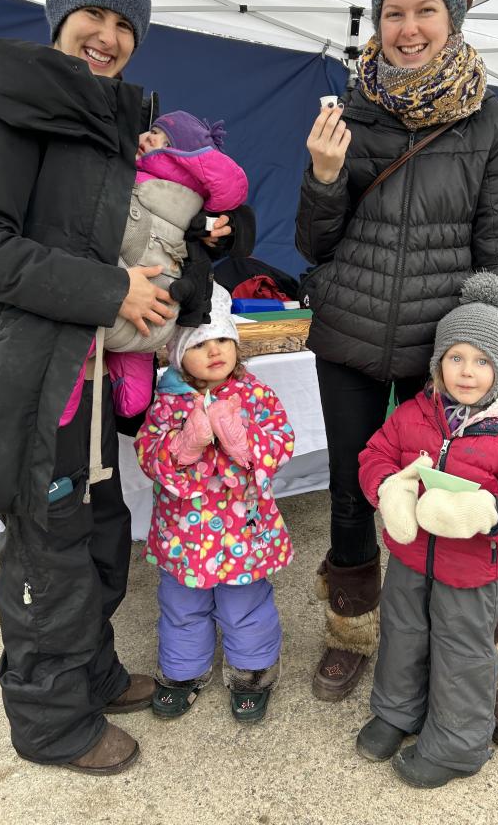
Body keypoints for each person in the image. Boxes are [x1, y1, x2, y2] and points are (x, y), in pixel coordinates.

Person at [0, 0, 192, 775]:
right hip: (27, 373)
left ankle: (92, 670)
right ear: (60, 16)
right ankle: (49, 722)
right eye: (94, 15)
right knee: (47, 549)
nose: (109, 36)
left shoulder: (105, 117)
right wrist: (109, 292)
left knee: (98, 532)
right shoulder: (6, 97)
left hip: (90, 375)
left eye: (127, 24)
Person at [295, 0, 498, 736]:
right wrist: (323, 178)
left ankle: (481, 651)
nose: (408, 29)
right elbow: (315, 244)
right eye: (393, 13)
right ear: (377, 22)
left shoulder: (492, 120)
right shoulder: (351, 109)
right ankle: (352, 627)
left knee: (467, 492)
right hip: (351, 338)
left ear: (453, 17)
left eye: (424, 11)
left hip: (452, 358)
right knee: (350, 489)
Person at [355, 273, 498, 789]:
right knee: (402, 634)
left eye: (483, 361)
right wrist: (388, 488)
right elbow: (375, 455)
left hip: (471, 571)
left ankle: (457, 744)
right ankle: (398, 711)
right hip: (409, 558)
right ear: (438, 363)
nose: (467, 372)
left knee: (462, 652)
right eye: (456, 358)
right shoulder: (412, 413)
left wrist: (490, 513)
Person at [134, 283, 295, 724]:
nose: (215, 351)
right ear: (176, 353)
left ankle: (252, 672)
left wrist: (244, 441)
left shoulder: (254, 393)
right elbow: (148, 454)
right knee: (182, 603)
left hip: (242, 528)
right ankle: (183, 671)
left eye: (223, 339)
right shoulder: (167, 400)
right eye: (200, 343)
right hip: (184, 532)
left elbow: (282, 442)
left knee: (245, 603)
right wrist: (185, 445)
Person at [104, 108, 250, 352]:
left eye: (167, 142)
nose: (151, 139)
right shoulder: (120, 169)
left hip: (147, 314)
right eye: (152, 131)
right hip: (118, 303)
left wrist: (230, 230)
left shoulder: (182, 199)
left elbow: (231, 195)